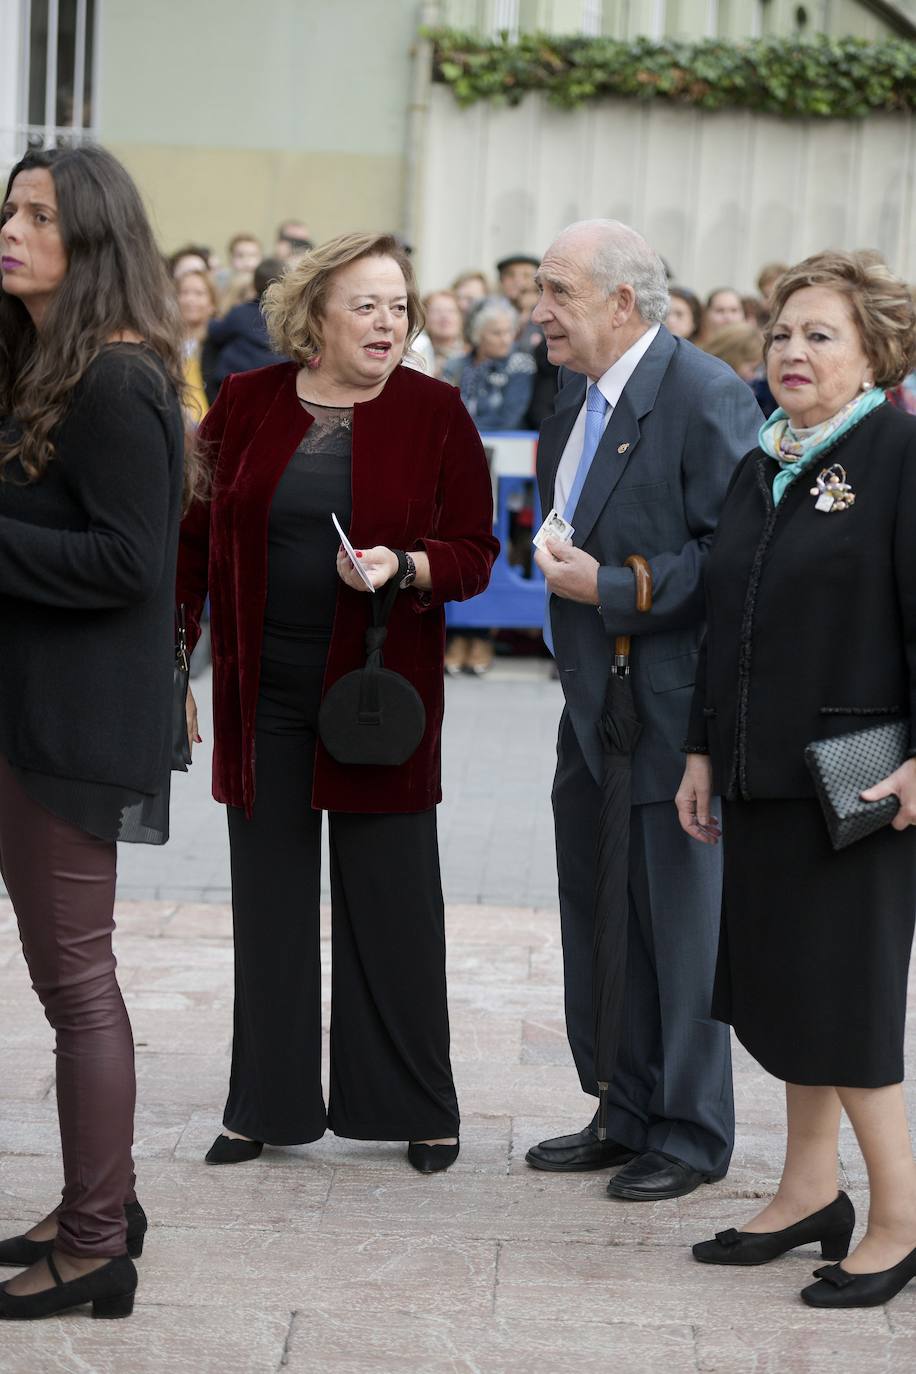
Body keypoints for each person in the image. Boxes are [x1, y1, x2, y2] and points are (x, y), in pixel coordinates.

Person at [176, 231, 497, 1175]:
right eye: (367, 305)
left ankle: (418, 1108)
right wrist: (174, 666)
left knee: (394, 907)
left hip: (375, 699)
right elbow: (192, 543)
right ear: (312, 313)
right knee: (268, 908)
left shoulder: (437, 411)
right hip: (259, 696)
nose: (388, 323)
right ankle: (263, 1106)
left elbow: (476, 553)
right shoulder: (246, 401)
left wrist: (407, 565)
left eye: (399, 306)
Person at [679, 250, 916, 1309]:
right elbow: (722, 618)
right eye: (781, 333)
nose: (792, 350)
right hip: (758, 766)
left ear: (871, 353)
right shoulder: (761, 458)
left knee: (848, 999)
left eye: (820, 334)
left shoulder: (900, 454)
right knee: (784, 985)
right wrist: (699, 746)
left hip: (860, 773)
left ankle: (900, 1219)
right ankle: (808, 1190)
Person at [526, 218, 761, 1200]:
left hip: (670, 714)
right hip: (593, 709)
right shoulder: (570, 400)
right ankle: (622, 1107)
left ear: (623, 301)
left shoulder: (704, 393)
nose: (537, 311)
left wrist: (610, 590)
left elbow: (735, 560)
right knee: (601, 912)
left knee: (678, 925)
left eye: (556, 292)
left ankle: (689, 1131)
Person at [0, 144, 193, 1318]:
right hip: (28, 715)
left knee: (78, 985)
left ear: (94, 242)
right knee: (63, 978)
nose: (9, 230)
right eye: (6, 210)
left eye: (36, 217)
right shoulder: (43, 364)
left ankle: (94, 1246)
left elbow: (131, 564)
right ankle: (100, 1205)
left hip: (69, 728)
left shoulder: (119, 381)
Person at [444, 297, 536, 430]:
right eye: (497, 333)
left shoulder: (520, 364)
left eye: (509, 331)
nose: (505, 339)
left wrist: (461, 430)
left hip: (504, 445)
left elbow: (508, 419)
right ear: (478, 335)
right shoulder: (455, 366)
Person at [204, 257, 287, 403]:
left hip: (237, 391)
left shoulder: (240, 313)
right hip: (279, 390)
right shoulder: (291, 318)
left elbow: (215, 333)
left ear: (254, 285)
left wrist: (209, 320)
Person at [176, 268, 218, 423]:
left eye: (199, 293)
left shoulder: (219, 343)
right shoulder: (164, 343)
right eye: (184, 292)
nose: (190, 299)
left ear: (212, 302)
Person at [421, 289, 465, 378]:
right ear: (424, 317)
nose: (444, 316)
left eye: (451, 311)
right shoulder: (416, 355)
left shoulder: (472, 356)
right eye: (437, 311)